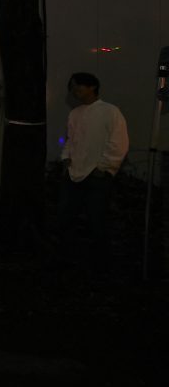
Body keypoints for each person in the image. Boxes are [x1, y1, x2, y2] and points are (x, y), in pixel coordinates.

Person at [56, 72, 129, 274]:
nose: (75, 91)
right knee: (66, 218)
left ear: (92, 87)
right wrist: (66, 158)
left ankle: (100, 264)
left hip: (97, 176)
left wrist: (104, 167)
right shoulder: (75, 114)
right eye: (72, 88)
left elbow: (119, 142)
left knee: (97, 220)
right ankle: (69, 259)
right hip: (74, 173)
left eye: (78, 86)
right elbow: (70, 139)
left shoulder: (110, 112)